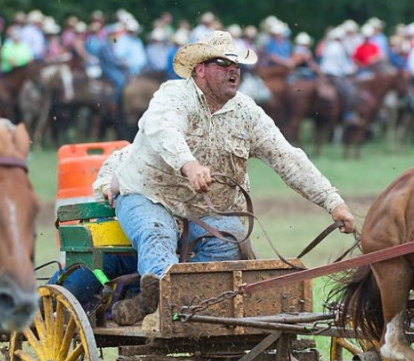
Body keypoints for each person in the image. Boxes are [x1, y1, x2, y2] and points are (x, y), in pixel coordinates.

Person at [93, 30, 356, 325]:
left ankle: (182, 305)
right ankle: (163, 301)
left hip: (208, 210)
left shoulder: (248, 113)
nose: (234, 71)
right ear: (200, 70)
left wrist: (333, 203)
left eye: (237, 66)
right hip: (150, 195)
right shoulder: (173, 95)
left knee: (231, 243)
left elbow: (288, 158)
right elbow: (164, 130)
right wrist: (189, 165)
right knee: (157, 233)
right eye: (223, 63)